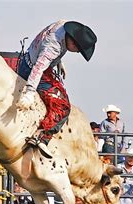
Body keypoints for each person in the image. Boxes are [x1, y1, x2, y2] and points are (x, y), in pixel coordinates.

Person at [16, 20, 97, 159]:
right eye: (78, 49)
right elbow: (38, 68)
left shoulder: (61, 24)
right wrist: (29, 92)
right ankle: (42, 137)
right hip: (32, 70)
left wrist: (58, 61)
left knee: (59, 95)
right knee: (63, 107)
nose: (78, 52)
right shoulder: (52, 48)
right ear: (72, 42)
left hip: (29, 59)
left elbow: (45, 43)